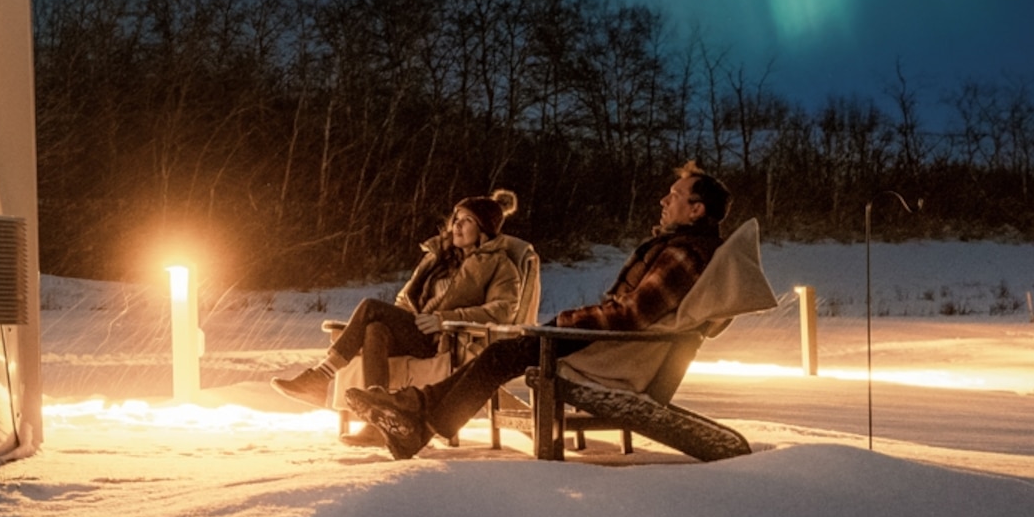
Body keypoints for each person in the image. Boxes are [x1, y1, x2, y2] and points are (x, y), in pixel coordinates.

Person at [351, 163, 733, 460]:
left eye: (675, 195)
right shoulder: (683, 247)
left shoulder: (683, 254)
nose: (664, 201)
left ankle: (417, 414)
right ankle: (417, 414)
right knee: (503, 354)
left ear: (696, 209)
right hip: (609, 345)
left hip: (611, 351)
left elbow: (629, 315)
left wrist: (566, 323)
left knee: (502, 353)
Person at [272, 190, 536, 410]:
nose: (456, 224)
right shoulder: (437, 259)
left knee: (370, 307)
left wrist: (445, 319)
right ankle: (378, 418)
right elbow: (405, 297)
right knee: (376, 328)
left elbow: (501, 311)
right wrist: (401, 318)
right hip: (414, 330)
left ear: (484, 230)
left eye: (467, 220)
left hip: (444, 339)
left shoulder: (499, 265)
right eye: (456, 218)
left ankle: (321, 376)